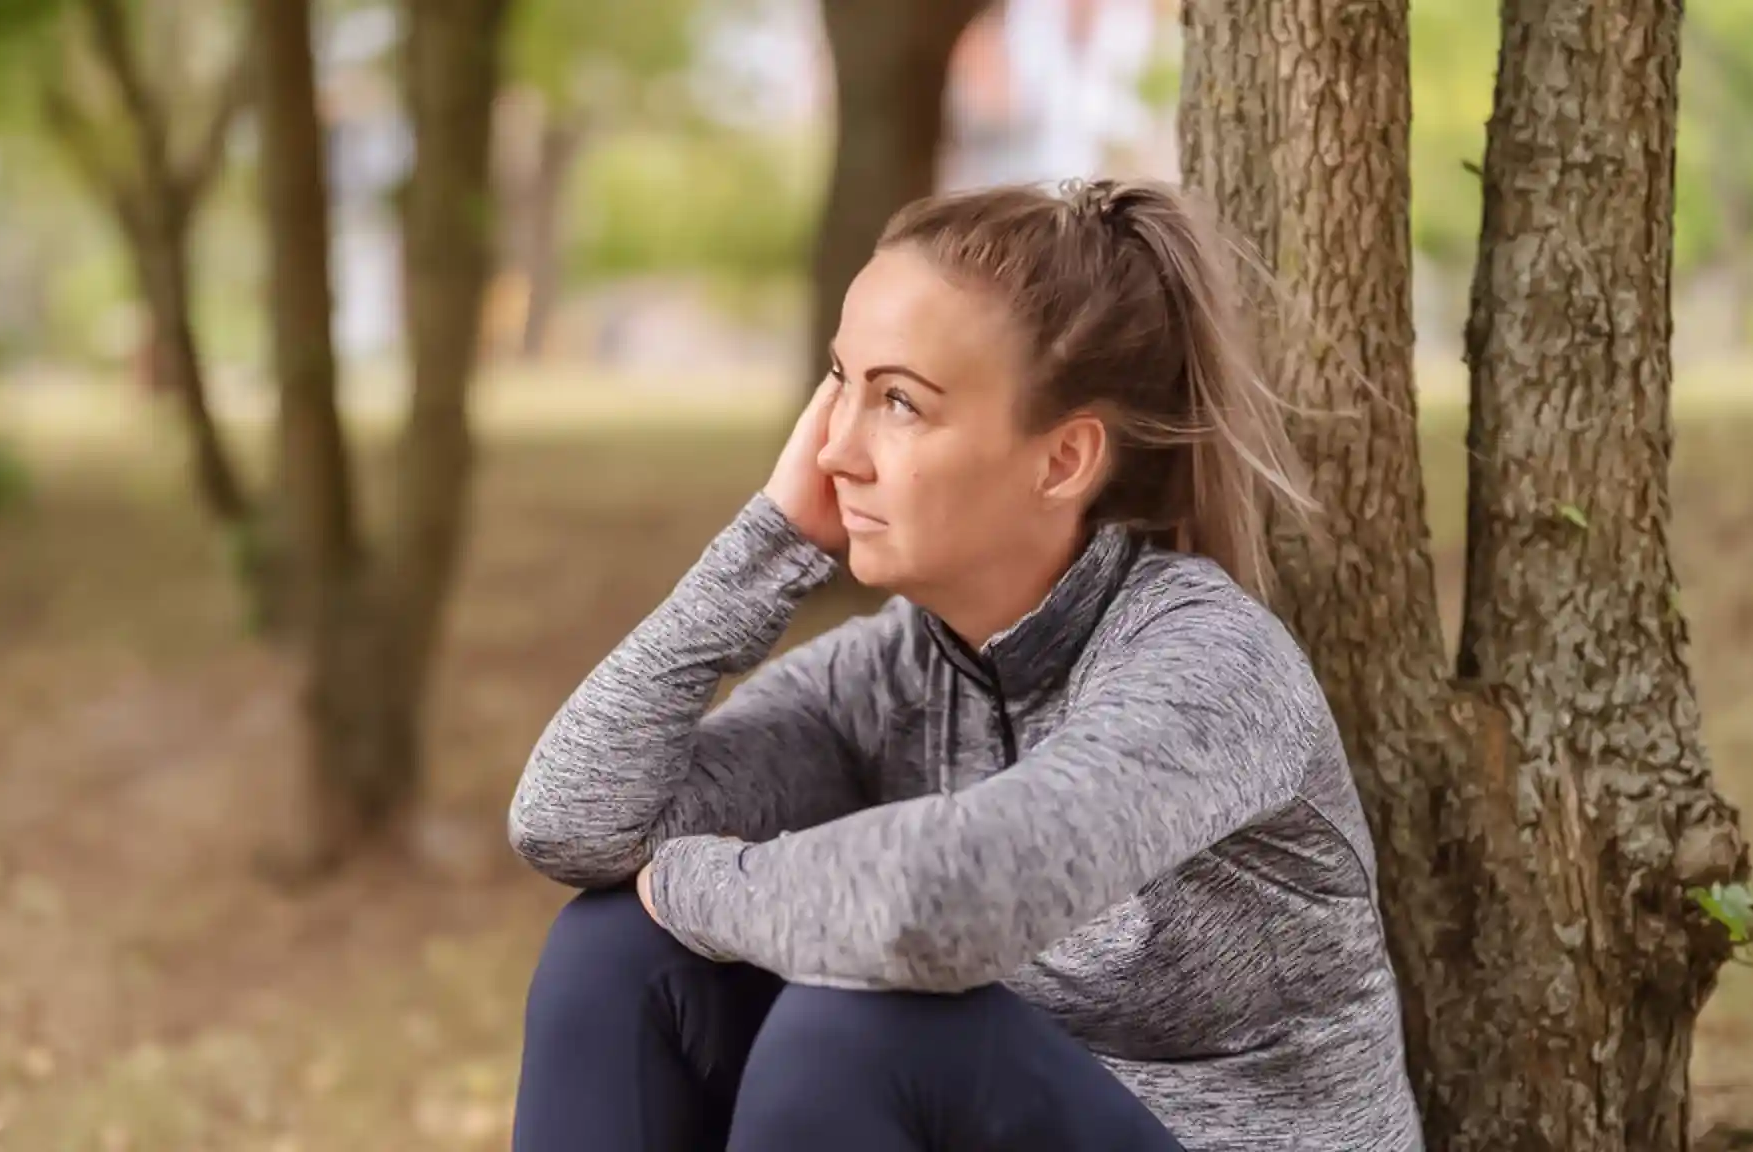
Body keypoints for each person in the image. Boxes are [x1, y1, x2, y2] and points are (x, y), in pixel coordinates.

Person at [504, 178, 1423, 1152]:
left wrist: (696, 884)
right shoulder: (889, 677)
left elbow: (942, 903)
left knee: (858, 1030)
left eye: (898, 401)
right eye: (839, 384)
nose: (836, 452)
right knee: (615, 952)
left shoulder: (1208, 664)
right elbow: (569, 823)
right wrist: (770, 544)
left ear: (1062, 461)